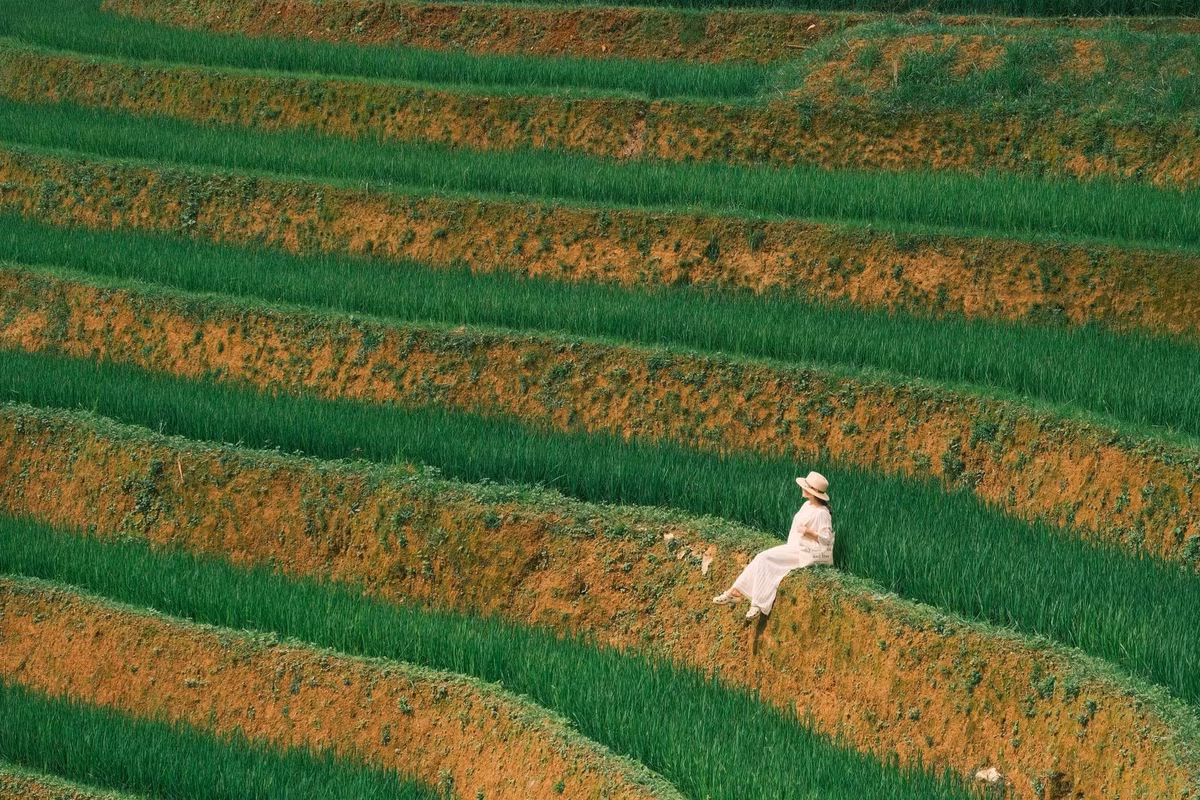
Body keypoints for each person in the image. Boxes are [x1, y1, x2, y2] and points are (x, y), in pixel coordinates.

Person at [712, 471, 833, 620]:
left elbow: (826, 539)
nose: (802, 488)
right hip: (794, 547)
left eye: (805, 487)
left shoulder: (822, 513)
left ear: (812, 491)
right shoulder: (807, 505)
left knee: (764, 558)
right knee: (759, 558)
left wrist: (808, 532)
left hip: (806, 552)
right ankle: (734, 591)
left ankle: (757, 604)